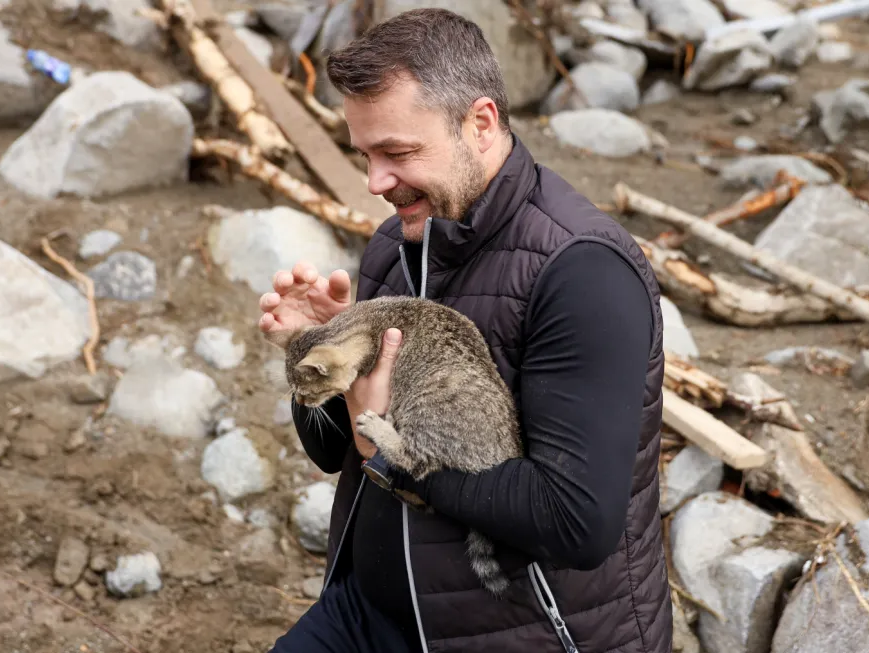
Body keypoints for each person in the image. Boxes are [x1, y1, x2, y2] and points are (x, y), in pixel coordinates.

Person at [259, 8, 672, 653]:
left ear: (479, 124)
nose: (374, 183)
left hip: (521, 635)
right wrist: (325, 352)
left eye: (397, 153)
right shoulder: (394, 249)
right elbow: (332, 451)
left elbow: (576, 523)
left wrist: (394, 461)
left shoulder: (583, 272)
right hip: (367, 615)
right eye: (364, 155)